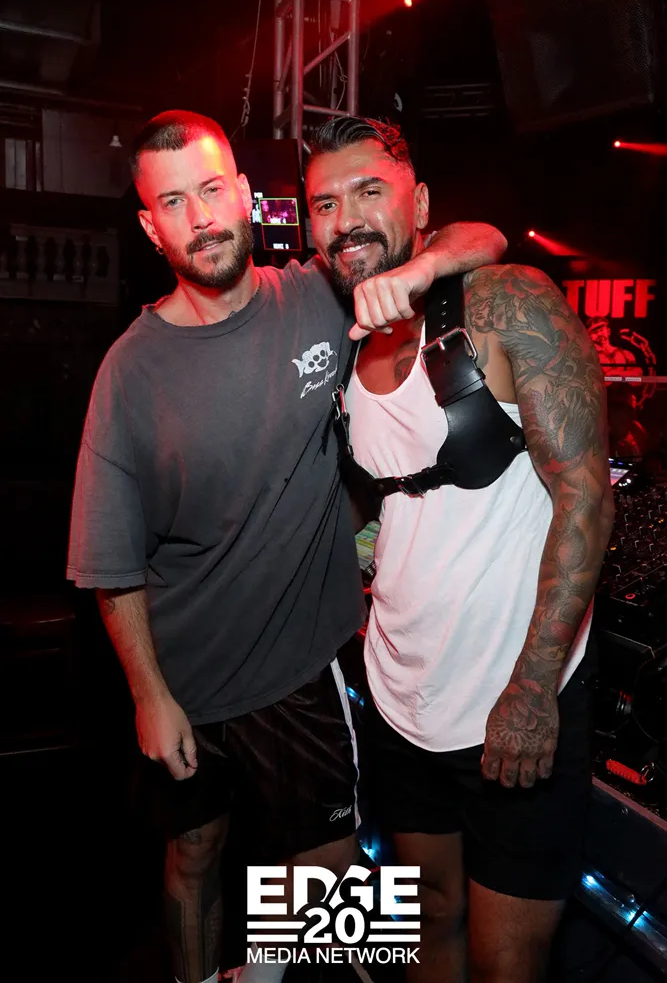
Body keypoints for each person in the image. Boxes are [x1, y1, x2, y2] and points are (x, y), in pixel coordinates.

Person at [66, 109, 506, 983]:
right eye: (173, 202)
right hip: (185, 680)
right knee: (195, 855)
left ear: (244, 194)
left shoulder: (315, 296)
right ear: (151, 227)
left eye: (211, 189)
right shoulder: (128, 371)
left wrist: (418, 268)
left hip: (302, 672)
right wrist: (150, 697)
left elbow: (483, 237)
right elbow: (109, 563)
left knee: (328, 873)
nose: (201, 217)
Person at [305, 115, 615, 983]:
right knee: (425, 917)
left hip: (513, 699)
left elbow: (585, 496)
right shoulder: (341, 332)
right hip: (399, 695)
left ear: (420, 207)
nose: (346, 219)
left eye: (369, 191)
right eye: (324, 203)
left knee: (504, 960)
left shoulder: (505, 301)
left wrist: (533, 690)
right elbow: (388, 495)